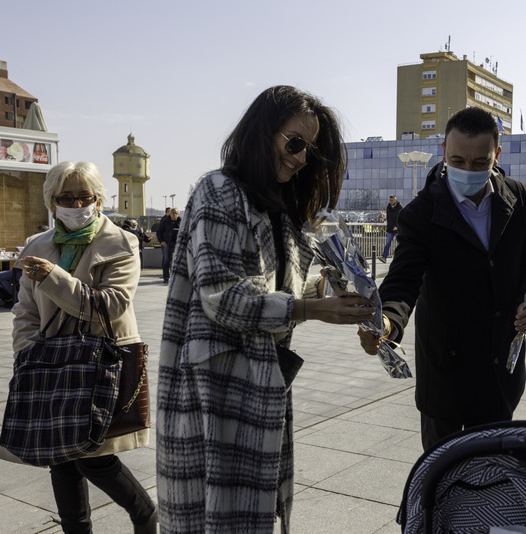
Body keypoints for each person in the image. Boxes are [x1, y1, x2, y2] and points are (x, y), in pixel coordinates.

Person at [156, 86, 375, 533]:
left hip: (260, 381)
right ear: (262, 132)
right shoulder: (220, 191)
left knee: (247, 514)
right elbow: (222, 298)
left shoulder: (280, 206)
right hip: (214, 387)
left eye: (310, 151)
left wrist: (328, 290)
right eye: (294, 143)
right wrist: (313, 309)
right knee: (214, 514)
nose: (301, 159)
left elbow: (277, 287)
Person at [358, 107, 526, 451]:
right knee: (442, 474)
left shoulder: (516, 196)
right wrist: (386, 322)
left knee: (493, 470)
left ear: (496, 155)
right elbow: (403, 280)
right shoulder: (421, 214)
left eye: (479, 162)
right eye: (458, 160)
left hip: (499, 372)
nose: (468, 170)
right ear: (444, 151)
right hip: (447, 374)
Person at [0, 161, 157, 532]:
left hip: (100, 363)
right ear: (52, 202)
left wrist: (53, 277)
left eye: (85, 196)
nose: (76, 204)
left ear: (99, 199)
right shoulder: (38, 245)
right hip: (49, 364)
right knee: (60, 459)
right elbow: (25, 310)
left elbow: (111, 305)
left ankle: (145, 515)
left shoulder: (120, 242)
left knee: (94, 457)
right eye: (66, 197)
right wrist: (28, 351)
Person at [156, 207, 180, 283]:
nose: (174, 214)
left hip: (177, 244)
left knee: (176, 260)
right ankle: (166, 277)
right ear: (170, 214)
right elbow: (159, 232)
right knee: (166, 259)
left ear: (178, 214)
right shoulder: (165, 221)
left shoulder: (181, 222)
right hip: (166, 243)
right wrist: (161, 241)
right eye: (173, 213)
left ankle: (175, 277)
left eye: (176, 213)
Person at [379, 195, 403, 262]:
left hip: (397, 229)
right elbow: (388, 218)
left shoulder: (400, 207)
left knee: (400, 244)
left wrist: (397, 226)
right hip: (390, 229)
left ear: (395, 200)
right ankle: (384, 257)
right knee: (388, 243)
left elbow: (401, 217)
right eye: (390, 200)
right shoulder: (388, 207)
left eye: (392, 200)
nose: (390, 201)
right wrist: (388, 226)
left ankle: (400, 258)